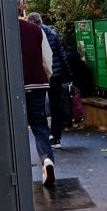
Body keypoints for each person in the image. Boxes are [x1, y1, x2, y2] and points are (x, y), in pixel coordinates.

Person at [19, 9, 56, 187]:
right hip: (36, 84)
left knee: (13, 128)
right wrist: (46, 76)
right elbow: (47, 58)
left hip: (11, 87)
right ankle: (47, 160)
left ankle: (18, 169)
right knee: (39, 125)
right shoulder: (35, 29)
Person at [29, 12, 71, 148]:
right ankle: (56, 137)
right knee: (55, 106)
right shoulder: (52, 34)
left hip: (41, 76)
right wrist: (68, 75)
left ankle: (45, 135)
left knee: (40, 106)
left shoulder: (32, 36)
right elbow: (62, 55)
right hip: (56, 75)